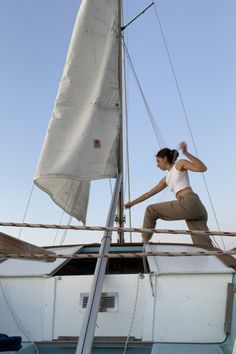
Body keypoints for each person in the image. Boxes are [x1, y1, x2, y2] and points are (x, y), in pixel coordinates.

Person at [125, 141, 213, 247]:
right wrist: (131, 203)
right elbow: (148, 194)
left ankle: (144, 243)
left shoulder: (179, 165)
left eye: (158, 161)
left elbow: (202, 168)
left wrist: (186, 152)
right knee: (204, 248)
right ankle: (225, 262)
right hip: (195, 208)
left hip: (188, 202)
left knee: (151, 210)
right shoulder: (166, 179)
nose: (157, 165)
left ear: (165, 159)